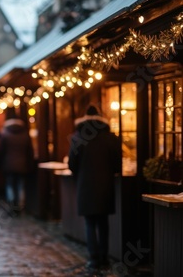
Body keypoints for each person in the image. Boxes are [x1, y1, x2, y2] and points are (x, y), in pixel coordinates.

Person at [68, 105, 122, 270]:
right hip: (105, 186)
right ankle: (104, 258)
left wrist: (80, 174)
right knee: (103, 222)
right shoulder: (110, 138)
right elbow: (117, 165)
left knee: (90, 223)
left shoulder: (77, 138)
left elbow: (72, 164)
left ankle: (94, 258)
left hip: (85, 186)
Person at [0, 114, 34, 213]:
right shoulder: (25, 135)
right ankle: (21, 206)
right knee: (20, 185)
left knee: (10, 185)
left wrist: (0, 164)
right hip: (22, 165)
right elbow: (30, 152)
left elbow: (1, 151)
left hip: (8, 165)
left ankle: (12, 204)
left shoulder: (5, 135)